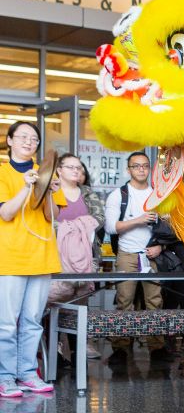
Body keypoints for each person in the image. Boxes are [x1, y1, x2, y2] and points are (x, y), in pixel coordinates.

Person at [0, 121, 59, 397]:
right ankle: (5, 376)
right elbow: (7, 213)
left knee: (33, 321)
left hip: (42, 256)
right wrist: (26, 187)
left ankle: (27, 374)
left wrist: (47, 188)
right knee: (7, 323)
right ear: (9, 141)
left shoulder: (45, 172)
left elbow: (52, 216)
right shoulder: (1, 172)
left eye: (34, 138)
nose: (28, 141)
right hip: (10, 257)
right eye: (22, 137)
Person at [104, 151, 167, 364]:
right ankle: (121, 348)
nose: (141, 169)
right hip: (127, 254)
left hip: (152, 255)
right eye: (136, 166)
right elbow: (111, 227)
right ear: (128, 169)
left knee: (155, 301)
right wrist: (139, 220)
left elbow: (170, 227)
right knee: (124, 301)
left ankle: (157, 348)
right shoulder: (118, 195)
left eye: (145, 166)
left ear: (149, 169)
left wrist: (161, 245)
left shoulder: (158, 195)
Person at [48, 153, 106, 361]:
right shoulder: (51, 192)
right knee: (53, 300)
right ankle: (53, 348)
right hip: (55, 256)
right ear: (59, 170)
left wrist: (68, 228)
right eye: (70, 167)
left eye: (79, 168)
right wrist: (78, 226)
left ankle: (79, 348)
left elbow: (99, 219)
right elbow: (46, 221)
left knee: (80, 301)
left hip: (85, 256)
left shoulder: (88, 193)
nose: (76, 171)